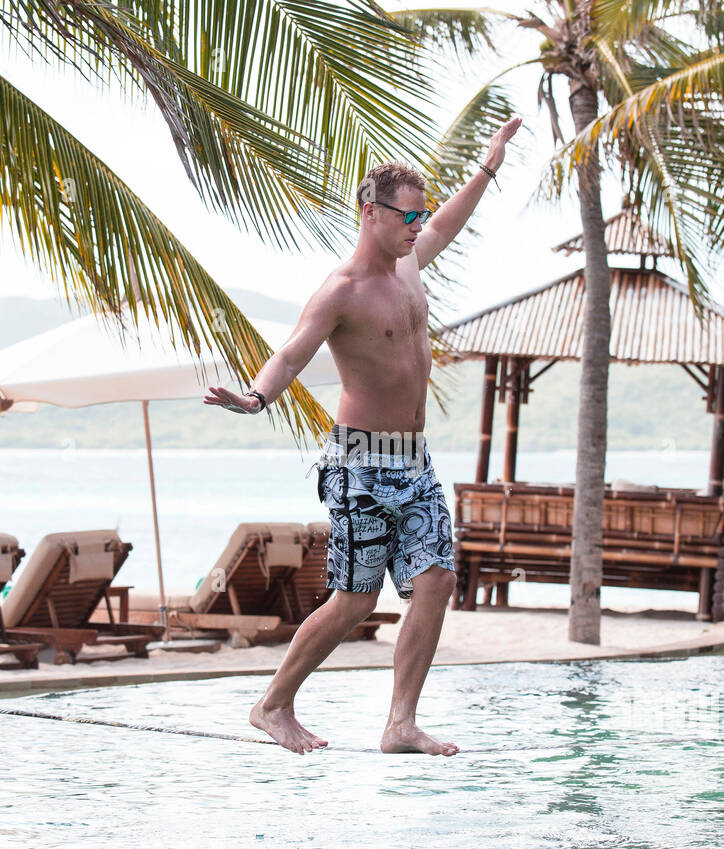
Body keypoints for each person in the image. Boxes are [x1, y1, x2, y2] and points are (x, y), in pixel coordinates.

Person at [204, 118, 523, 755]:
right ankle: (272, 705)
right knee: (355, 598)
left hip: (414, 459)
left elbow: (449, 222)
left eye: (419, 216)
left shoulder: (411, 265)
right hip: (360, 463)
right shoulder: (341, 292)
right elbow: (292, 354)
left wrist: (490, 164)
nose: (416, 226)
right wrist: (256, 397)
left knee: (436, 579)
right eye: (407, 216)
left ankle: (400, 724)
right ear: (370, 214)